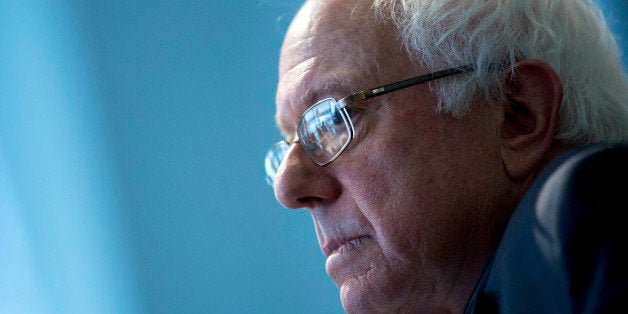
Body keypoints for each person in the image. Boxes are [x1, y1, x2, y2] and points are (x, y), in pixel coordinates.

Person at [263, 0, 628, 312]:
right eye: (291, 139)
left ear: (518, 114)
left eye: (334, 121)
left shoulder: (585, 215)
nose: (287, 187)